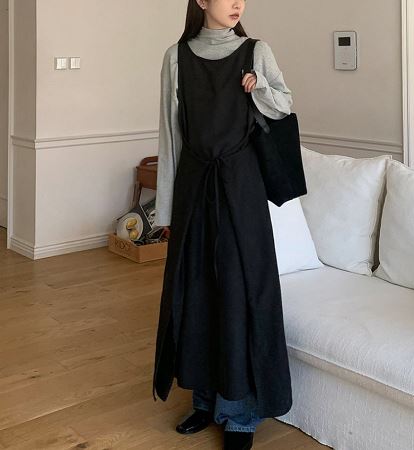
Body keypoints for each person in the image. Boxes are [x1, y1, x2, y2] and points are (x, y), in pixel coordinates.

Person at [152, 1, 294, 448]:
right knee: (196, 293)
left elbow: (284, 106)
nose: (236, 3)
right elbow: (170, 136)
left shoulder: (256, 50)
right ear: (200, 1)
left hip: (241, 188)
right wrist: (166, 212)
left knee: (240, 292)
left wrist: (259, 89)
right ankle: (204, 400)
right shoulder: (176, 56)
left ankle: (240, 415)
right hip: (194, 187)